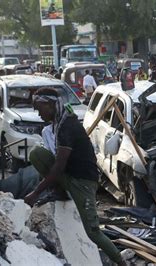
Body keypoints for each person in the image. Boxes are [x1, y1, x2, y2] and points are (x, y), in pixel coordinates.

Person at [24, 88, 124, 264]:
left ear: (50, 104)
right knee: (36, 154)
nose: (38, 114)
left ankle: (122, 263)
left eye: (40, 109)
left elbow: (59, 166)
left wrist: (36, 192)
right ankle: (61, 192)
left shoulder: (67, 126)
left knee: (93, 231)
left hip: (83, 182)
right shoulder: (60, 122)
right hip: (71, 176)